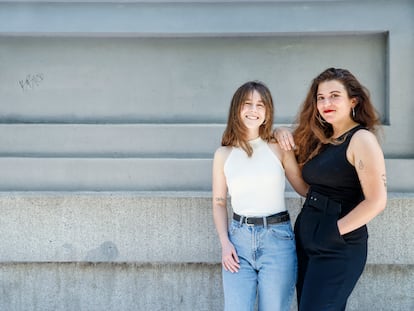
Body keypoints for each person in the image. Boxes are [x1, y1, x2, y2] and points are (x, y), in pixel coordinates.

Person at [274, 67, 387, 311]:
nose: (327, 102)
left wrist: (332, 232)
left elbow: (376, 201)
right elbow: (306, 189)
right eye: (321, 98)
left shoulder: (361, 139)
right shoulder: (320, 140)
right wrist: (281, 136)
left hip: (337, 244)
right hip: (308, 238)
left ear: (353, 100)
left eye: (335, 95)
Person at [212, 81, 309, 311]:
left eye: (260, 105)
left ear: (267, 113)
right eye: (247, 104)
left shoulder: (278, 147)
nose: (253, 110)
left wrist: (286, 135)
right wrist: (225, 244)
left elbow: (303, 189)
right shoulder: (223, 154)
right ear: (237, 109)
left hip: (277, 239)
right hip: (238, 241)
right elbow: (218, 202)